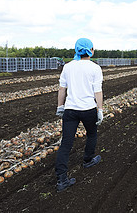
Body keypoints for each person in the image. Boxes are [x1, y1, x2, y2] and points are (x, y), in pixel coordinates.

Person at [54, 38, 104, 192]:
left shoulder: (67, 67)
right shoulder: (95, 68)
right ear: (91, 50)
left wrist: (60, 106)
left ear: (76, 50)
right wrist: (100, 109)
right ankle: (88, 160)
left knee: (66, 143)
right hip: (88, 109)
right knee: (91, 134)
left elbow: (62, 89)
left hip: (70, 110)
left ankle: (62, 179)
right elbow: (98, 91)